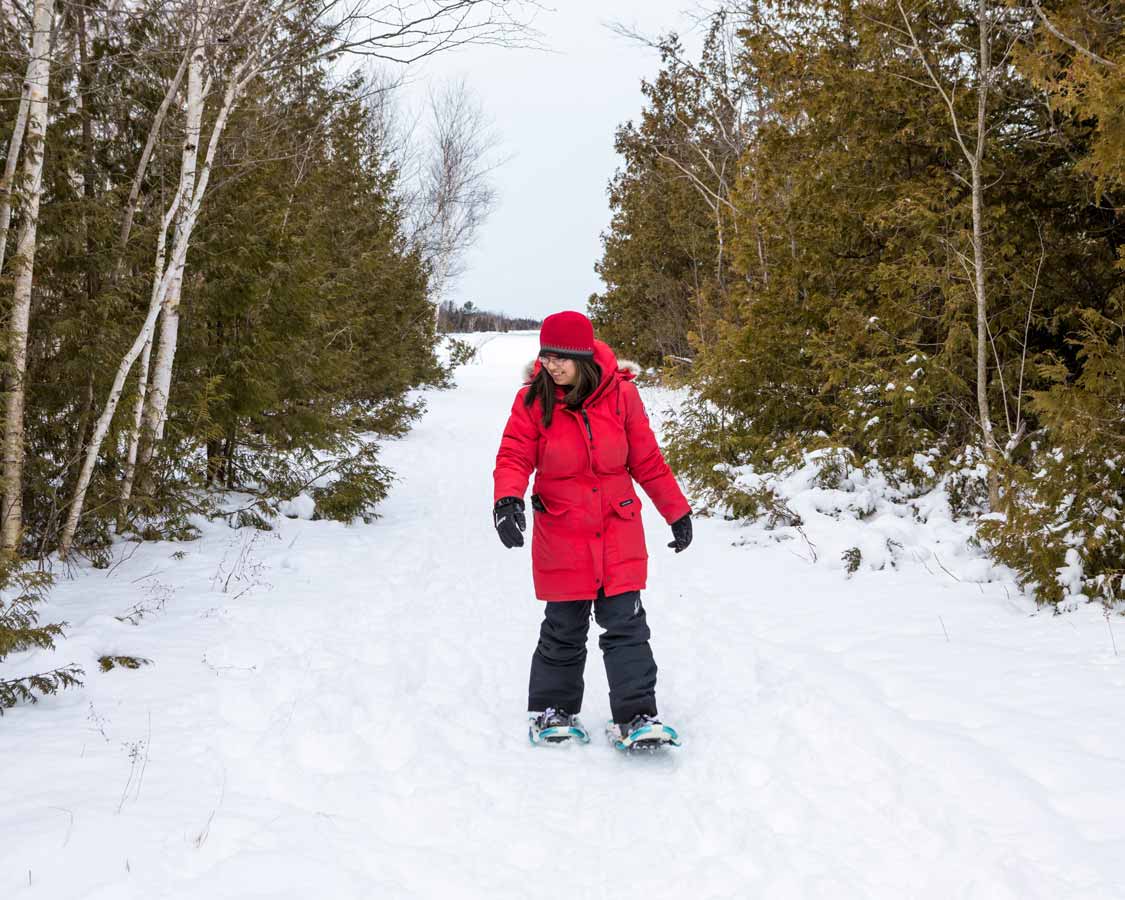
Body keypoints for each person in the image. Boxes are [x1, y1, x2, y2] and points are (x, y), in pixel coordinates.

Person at [491, 310, 693, 748]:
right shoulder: (532, 402)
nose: (552, 365)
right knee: (563, 627)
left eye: (561, 357)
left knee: (626, 625)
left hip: (617, 529)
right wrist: (507, 499)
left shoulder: (622, 397)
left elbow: (647, 460)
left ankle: (637, 715)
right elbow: (513, 456)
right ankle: (553, 710)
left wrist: (676, 512)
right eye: (546, 356)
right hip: (562, 530)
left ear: (583, 356)